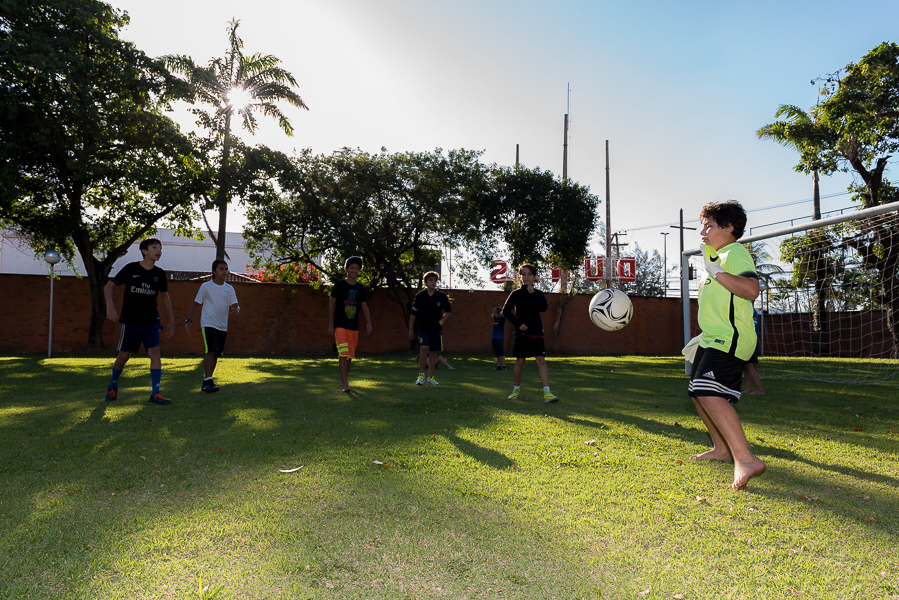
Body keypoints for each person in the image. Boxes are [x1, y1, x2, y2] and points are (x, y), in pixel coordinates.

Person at [688, 200, 766, 489]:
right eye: (703, 225)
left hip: (731, 339)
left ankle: (746, 459)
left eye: (709, 225)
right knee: (697, 392)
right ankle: (721, 450)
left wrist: (716, 271)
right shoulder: (717, 259)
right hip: (711, 338)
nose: (702, 232)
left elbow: (750, 290)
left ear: (729, 227)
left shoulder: (735, 253)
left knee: (709, 392)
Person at [103, 238, 175, 405]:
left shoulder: (160, 274)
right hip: (131, 320)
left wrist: (171, 319)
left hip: (151, 320)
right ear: (144, 251)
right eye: (154, 247)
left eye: (160, 248)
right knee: (124, 356)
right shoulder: (131, 268)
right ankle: (113, 384)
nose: (159, 250)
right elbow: (109, 286)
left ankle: (156, 393)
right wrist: (110, 307)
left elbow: (165, 297)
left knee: (155, 352)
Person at [502, 264, 558, 402]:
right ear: (520, 276)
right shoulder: (515, 294)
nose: (526, 277)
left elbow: (543, 308)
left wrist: (532, 293)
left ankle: (547, 393)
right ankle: (515, 390)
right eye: (523, 274)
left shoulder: (538, 293)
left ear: (534, 277)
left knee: (540, 360)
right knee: (520, 361)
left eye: (529, 274)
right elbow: (505, 311)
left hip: (537, 332)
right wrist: (518, 324)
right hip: (521, 333)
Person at [184, 260, 240, 393]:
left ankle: (207, 381)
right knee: (210, 350)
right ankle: (208, 380)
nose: (224, 271)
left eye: (226, 269)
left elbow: (235, 305)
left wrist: (237, 310)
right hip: (208, 323)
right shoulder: (206, 286)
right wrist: (189, 320)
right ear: (214, 271)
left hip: (222, 326)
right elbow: (196, 304)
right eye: (221, 269)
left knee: (217, 353)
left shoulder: (229, 288)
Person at [328, 256, 373, 392]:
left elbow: (364, 306)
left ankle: (343, 379)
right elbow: (332, 304)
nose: (354, 270)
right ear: (346, 269)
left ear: (360, 270)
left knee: (350, 355)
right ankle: (345, 383)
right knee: (343, 352)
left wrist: (368, 322)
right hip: (340, 324)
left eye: (357, 268)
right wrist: (331, 324)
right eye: (351, 267)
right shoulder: (339, 285)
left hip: (353, 325)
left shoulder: (360, 288)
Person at [408, 271, 452, 386]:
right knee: (424, 349)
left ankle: (431, 377)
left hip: (436, 329)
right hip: (423, 328)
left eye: (434, 280)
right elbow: (413, 313)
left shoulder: (441, 296)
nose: (433, 282)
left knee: (433, 352)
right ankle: (421, 376)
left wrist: (441, 321)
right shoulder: (420, 296)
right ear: (426, 282)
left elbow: (448, 311)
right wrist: (410, 329)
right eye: (430, 280)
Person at [743, 309, 765, 395]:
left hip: (750, 344)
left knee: (750, 365)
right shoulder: (751, 312)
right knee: (746, 366)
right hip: (747, 343)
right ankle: (749, 388)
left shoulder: (751, 312)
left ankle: (760, 390)